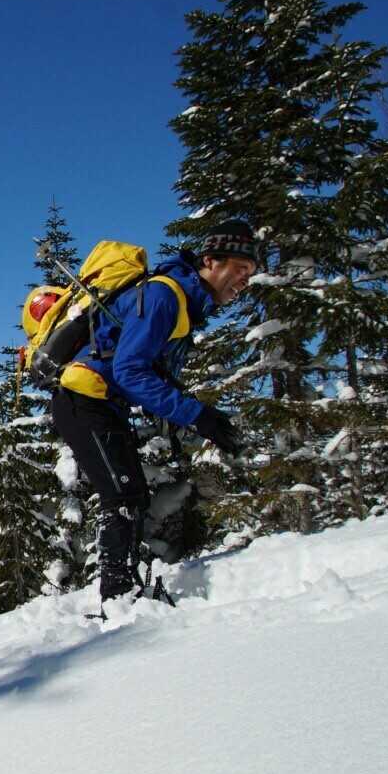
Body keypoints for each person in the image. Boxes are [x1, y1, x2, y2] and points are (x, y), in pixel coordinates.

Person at [49, 219, 260, 604]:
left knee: (130, 496)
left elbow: (145, 371)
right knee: (124, 496)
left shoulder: (182, 302)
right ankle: (118, 600)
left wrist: (198, 419)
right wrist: (198, 416)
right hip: (83, 398)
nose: (245, 280)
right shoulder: (165, 295)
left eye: (251, 272)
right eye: (240, 268)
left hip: (100, 403)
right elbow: (130, 371)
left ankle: (124, 594)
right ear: (211, 260)